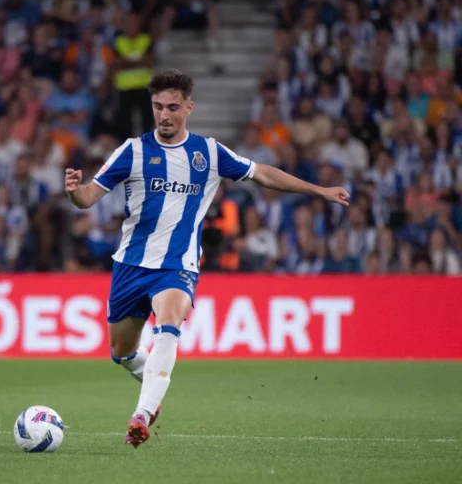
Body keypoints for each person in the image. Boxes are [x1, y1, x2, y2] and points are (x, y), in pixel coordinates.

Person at [64, 69, 349, 448]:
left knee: (169, 322)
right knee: (122, 351)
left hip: (178, 265)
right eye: (158, 107)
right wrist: (73, 192)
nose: (164, 115)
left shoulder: (208, 153)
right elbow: (87, 199)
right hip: (130, 265)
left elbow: (261, 173)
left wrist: (317, 190)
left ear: (189, 108)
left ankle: (142, 414)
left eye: (172, 108)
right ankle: (151, 386)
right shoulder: (131, 151)